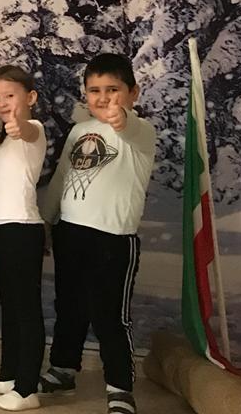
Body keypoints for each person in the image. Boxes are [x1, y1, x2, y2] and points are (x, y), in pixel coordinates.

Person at [39, 53, 156, 414]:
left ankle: (120, 387)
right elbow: (61, 178)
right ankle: (63, 369)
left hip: (113, 239)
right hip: (70, 233)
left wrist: (122, 120)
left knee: (110, 317)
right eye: (94, 90)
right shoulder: (78, 131)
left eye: (112, 89)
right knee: (69, 307)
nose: (103, 98)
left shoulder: (141, 132)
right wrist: (46, 221)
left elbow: (129, 129)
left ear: (133, 93)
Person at [0, 65, 47, 411]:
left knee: (26, 310)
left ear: (30, 97)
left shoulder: (33, 130)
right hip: (3, 229)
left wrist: (21, 125)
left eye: (10, 96)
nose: (2, 103)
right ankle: (9, 375)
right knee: (10, 308)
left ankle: (27, 388)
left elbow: (28, 130)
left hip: (22, 230)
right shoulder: (6, 139)